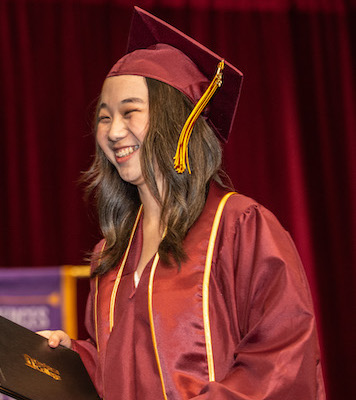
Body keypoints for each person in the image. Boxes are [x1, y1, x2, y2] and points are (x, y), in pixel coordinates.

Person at [39, 7, 325, 399]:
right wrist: (77, 358)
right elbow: (122, 368)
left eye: (130, 112)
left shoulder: (240, 227)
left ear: (178, 121)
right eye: (104, 117)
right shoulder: (112, 253)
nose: (114, 131)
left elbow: (282, 360)